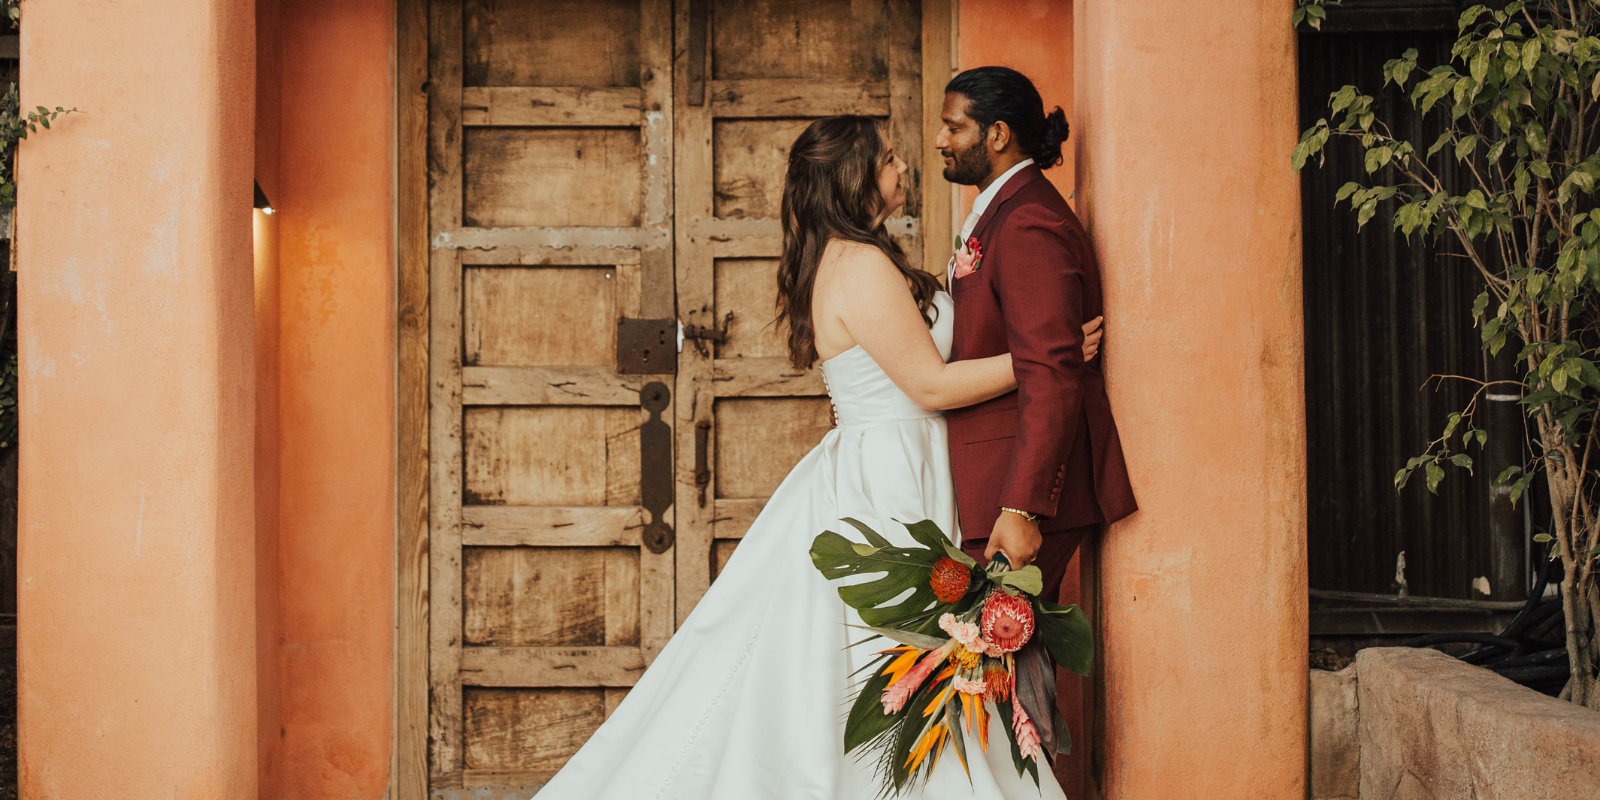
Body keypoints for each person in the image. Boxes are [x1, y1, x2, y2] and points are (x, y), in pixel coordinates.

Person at [536, 104, 1108, 798]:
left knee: (899, 659)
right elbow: (928, 384)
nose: (903, 166)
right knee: (891, 656)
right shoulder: (860, 263)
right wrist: (1044, 358)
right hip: (890, 477)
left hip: (892, 458)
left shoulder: (847, 256)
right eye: (890, 158)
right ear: (855, 178)